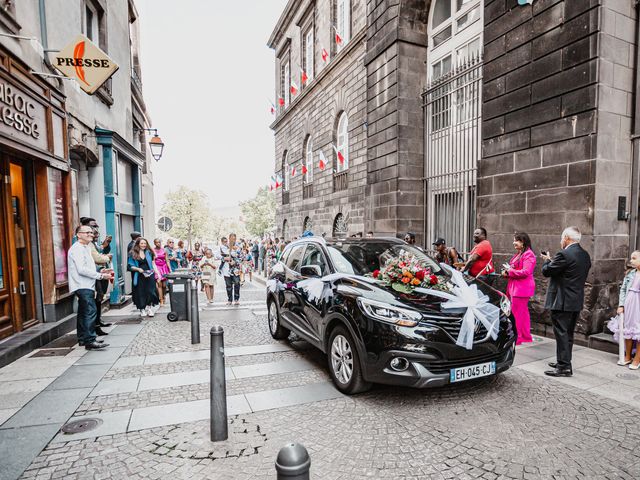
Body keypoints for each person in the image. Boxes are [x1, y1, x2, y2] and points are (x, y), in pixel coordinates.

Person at [541, 226, 591, 377]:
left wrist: (546, 261)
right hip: (575, 300)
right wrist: (552, 261)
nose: (561, 241)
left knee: (561, 333)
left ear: (567, 238)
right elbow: (568, 272)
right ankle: (564, 361)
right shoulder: (584, 254)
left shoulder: (564, 254)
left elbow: (547, 271)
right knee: (568, 334)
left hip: (562, 301)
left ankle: (563, 367)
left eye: (562, 238)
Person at [68, 225, 113, 350]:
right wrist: (100, 276)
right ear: (78, 234)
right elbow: (81, 269)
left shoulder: (86, 247)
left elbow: (88, 266)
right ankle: (90, 341)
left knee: (83, 312)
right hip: (82, 284)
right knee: (90, 311)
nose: (91, 234)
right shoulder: (76, 249)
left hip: (86, 284)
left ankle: (83, 338)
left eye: (91, 232)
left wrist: (101, 270)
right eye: (87, 232)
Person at [501, 232, 536, 345]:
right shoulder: (521, 253)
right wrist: (507, 272)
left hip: (521, 289)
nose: (514, 242)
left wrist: (510, 271)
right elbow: (517, 269)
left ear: (523, 241)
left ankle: (517, 337)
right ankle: (525, 336)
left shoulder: (528, 254)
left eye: (516, 240)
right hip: (516, 287)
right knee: (523, 314)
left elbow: (526, 272)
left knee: (516, 314)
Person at [608, 251, 640, 369]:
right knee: (627, 329)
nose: (631, 261)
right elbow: (623, 290)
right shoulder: (630, 274)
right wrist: (621, 305)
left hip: (638, 305)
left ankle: (637, 359)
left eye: (634, 258)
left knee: (638, 331)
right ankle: (627, 356)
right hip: (629, 304)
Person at [80, 217, 112, 333]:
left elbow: (101, 250)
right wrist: (107, 258)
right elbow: (97, 257)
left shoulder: (91, 242)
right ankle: (93, 329)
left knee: (98, 300)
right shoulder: (83, 245)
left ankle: (97, 324)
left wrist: (106, 244)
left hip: (97, 274)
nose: (95, 230)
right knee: (92, 304)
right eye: (93, 227)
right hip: (90, 279)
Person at [127, 237, 159, 317]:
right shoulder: (132, 253)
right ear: (138, 244)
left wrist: (157, 273)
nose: (143, 245)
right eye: (142, 243)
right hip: (139, 275)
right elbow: (130, 266)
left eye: (145, 243)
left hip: (149, 274)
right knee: (140, 292)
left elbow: (153, 263)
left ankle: (149, 308)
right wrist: (138, 269)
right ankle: (142, 309)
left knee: (151, 292)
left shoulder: (149, 252)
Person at [220, 233, 244, 305]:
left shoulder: (238, 247)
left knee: (237, 283)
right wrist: (224, 258)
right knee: (228, 285)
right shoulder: (224, 247)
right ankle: (230, 300)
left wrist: (235, 262)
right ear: (229, 238)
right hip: (226, 269)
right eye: (231, 238)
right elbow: (218, 256)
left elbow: (242, 257)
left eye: (234, 238)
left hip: (235, 269)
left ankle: (236, 299)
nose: (232, 240)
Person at [153, 238, 171, 305]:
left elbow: (167, 260)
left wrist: (170, 269)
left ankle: (163, 296)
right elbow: (153, 261)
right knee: (159, 284)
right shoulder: (153, 250)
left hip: (164, 268)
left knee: (164, 285)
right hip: (157, 268)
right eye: (157, 242)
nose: (158, 243)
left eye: (159, 242)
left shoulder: (164, 250)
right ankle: (161, 300)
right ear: (154, 243)